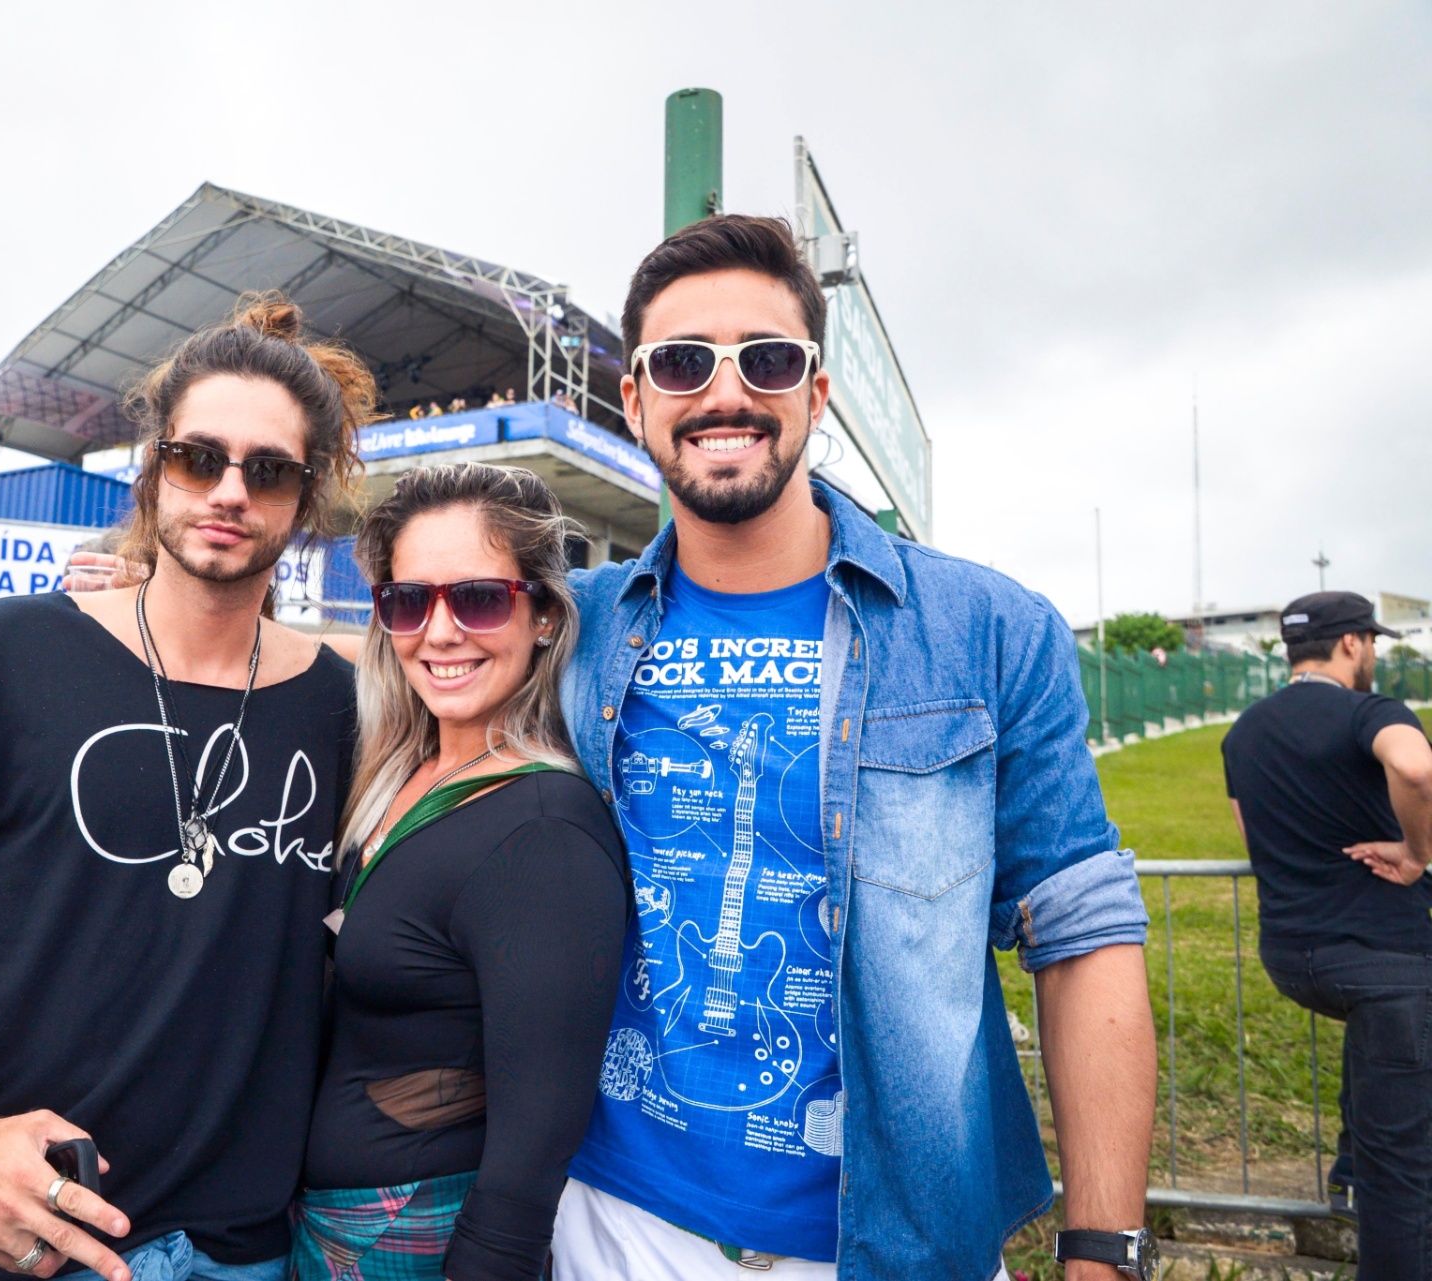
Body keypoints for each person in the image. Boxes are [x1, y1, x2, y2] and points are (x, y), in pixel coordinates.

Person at [553, 216, 1157, 1280]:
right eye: (684, 362)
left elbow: (1083, 932)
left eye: (768, 359)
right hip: (610, 1224)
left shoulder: (986, 628)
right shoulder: (573, 627)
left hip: (896, 1243)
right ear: (636, 399)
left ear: (815, 395)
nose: (726, 392)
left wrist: (1103, 1251)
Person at [0, 294, 374, 1281]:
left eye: (269, 471)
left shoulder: (346, 708)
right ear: (152, 468)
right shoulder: (12, 650)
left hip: (238, 1251)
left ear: (305, 501)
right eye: (197, 458)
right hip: (7, 1227)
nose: (228, 490)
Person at [294, 464, 628, 1281]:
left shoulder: (544, 829)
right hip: (334, 1225)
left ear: (544, 613)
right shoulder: (399, 770)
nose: (438, 632)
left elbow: (537, 1132)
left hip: (413, 1237)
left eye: (477, 598)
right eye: (407, 601)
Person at [1223, 591, 1432, 1277]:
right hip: (1387, 962)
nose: (1374, 654)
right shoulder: (1370, 711)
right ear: (1351, 645)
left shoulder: (1243, 732)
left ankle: (1347, 1167)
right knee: (1404, 1173)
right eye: (1371, 642)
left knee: (1377, 1056)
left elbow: (1249, 834)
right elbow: (1415, 766)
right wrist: (1416, 850)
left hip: (1293, 957)